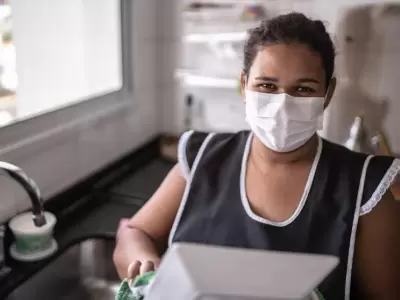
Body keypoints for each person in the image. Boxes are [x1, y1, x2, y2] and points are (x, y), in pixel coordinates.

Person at [113, 12, 400, 299]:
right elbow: (135, 232)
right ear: (244, 85)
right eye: (267, 86)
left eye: (303, 89)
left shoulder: (365, 188)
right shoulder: (203, 159)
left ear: (327, 93)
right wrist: (143, 261)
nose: (282, 105)